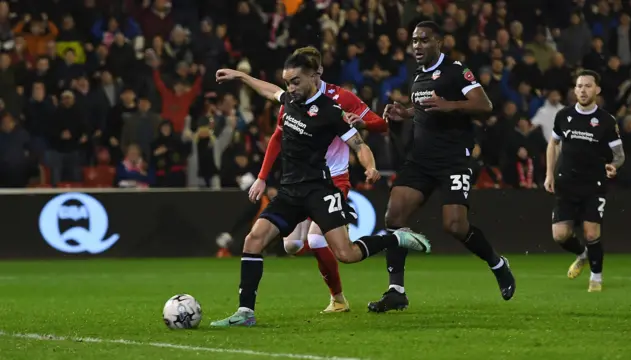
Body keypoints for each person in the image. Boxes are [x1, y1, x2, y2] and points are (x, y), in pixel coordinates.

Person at [210, 53, 431, 327]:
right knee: (253, 240)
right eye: (287, 82)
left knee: (346, 254)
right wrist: (242, 76)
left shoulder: (330, 111)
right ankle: (245, 312)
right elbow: (270, 91)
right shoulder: (290, 100)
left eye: (295, 82)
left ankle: (395, 239)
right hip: (290, 192)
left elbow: (359, 144)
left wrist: (370, 166)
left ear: (313, 78)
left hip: (319, 191)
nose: (290, 88)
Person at [368, 21, 516, 313]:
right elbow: (426, 110)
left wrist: (450, 104)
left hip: (453, 159)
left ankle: (498, 264)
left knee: (455, 226)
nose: (417, 46)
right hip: (421, 159)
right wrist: (405, 113)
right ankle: (396, 291)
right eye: (414, 41)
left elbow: (484, 105)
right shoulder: (418, 77)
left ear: (439, 42)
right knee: (394, 217)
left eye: (424, 40)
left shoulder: (456, 70)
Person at [249, 46, 388, 314]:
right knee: (291, 245)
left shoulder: (340, 98)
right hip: (302, 179)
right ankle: (337, 282)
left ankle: (337, 298)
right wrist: (262, 177)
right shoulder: (294, 98)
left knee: (317, 241)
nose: (292, 84)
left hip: (334, 179)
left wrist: (360, 121)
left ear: (317, 72)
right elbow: (278, 136)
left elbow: (379, 124)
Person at [544, 69, 624, 293]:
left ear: (597, 90)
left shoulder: (606, 121)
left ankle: (596, 278)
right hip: (566, 182)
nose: (583, 90)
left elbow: (619, 155)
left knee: (591, 232)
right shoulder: (563, 116)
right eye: (579, 86)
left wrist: (614, 166)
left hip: (593, 184)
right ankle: (582, 254)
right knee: (560, 235)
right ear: (574, 90)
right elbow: (553, 144)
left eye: (588, 86)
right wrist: (549, 173)